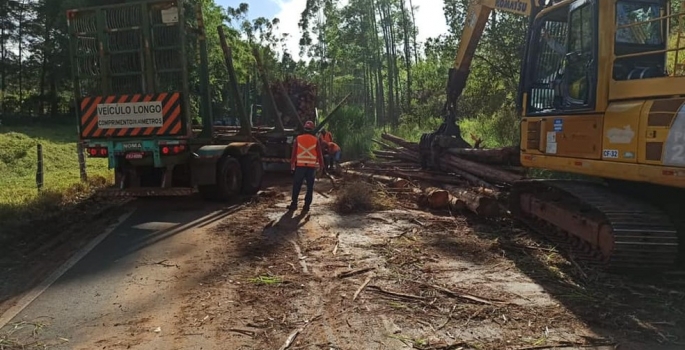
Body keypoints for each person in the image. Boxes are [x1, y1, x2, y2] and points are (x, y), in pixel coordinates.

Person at [289, 120, 325, 212]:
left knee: (297, 185)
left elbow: (294, 153)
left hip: (300, 166)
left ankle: (294, 204)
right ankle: (306, 206)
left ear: (304, 129)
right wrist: (322, 166)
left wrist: (292, 164)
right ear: (312, 130)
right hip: (311, 168)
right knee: (309, 187)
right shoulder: (315, 140)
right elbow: (319, 154)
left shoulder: (298, 138)